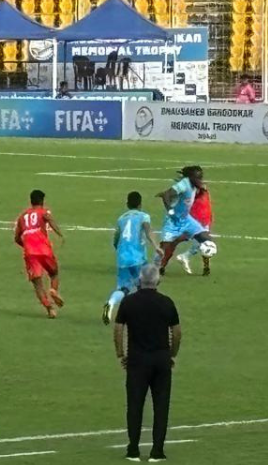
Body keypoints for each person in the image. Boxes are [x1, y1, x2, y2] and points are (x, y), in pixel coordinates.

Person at [114, 264, 181, 462]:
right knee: (161, 406)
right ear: (157, 280)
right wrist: (171, 354)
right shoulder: (167, 302)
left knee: (134, 404)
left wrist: (121, 353)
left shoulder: (129, 302)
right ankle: (157, 451)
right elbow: (176, 332)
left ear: (140, 280)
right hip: (161, 359)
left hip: (136, 359)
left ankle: (133, 449)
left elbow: (118, 329)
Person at [103, 191, 153, 325]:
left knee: (123, 288)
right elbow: (147, 230)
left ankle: (111, 303)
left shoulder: (121, 218)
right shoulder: (144, 216)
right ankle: (143, 316)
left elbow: (116, 238)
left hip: (123, 258)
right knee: (145, 287)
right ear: (140, 204)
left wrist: (118, 249)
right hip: (138, 258)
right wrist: (156, 245)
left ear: (127, 204)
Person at [154, 165, 215, 274]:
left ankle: (203, 252)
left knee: (206, 238)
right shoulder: (184, 184)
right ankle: (156, 267)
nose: (200, 180)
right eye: (197, 178)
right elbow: (166, 195)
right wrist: (171, 211)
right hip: (172, 221)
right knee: (165, 246)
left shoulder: (195, 185)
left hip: (186, 219)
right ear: (190, 178)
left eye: (200, 178)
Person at [14, 189, 65, 318]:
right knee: (54, 273)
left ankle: (50, 309)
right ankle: (53, 290)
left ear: (31, 201)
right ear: (42, 201)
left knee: (37, 283)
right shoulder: (43, 211)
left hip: (30, 252)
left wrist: (25, 246)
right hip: (44, 249)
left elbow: (16, 238)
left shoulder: (22, 217)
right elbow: (50, 220)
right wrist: (60, 234)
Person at [178, 180, 213, 276]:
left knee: (202, 245)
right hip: (198, 222)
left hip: (205, 221)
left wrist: (210, 219)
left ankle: (204, 267)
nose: (205, 186)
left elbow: (208, 206)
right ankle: (185, 256)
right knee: (205, 245)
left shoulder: (205, 193)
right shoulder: (193, 196)